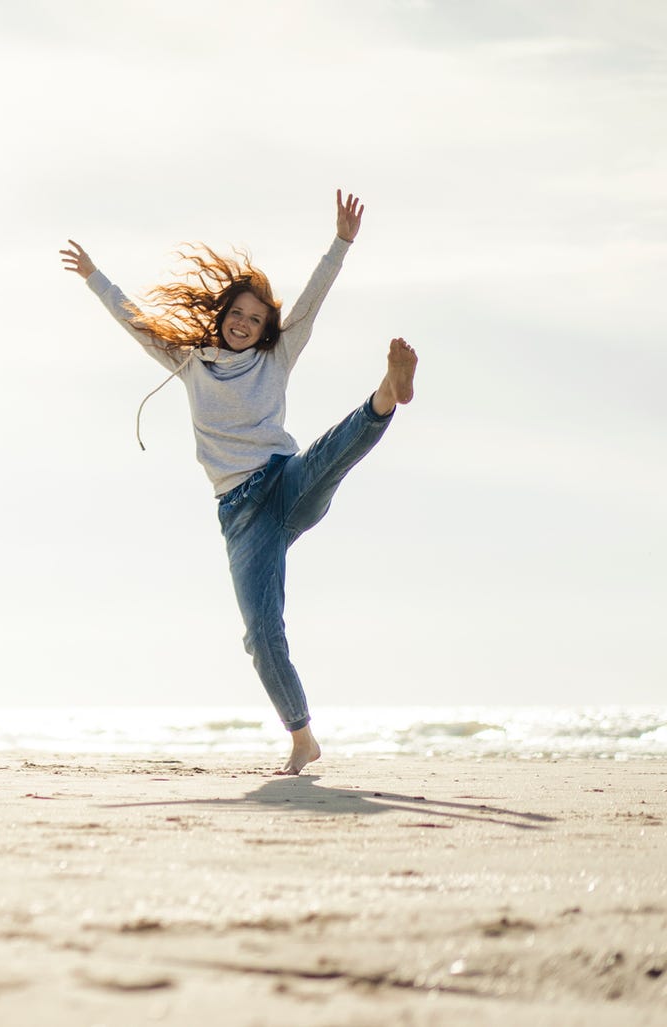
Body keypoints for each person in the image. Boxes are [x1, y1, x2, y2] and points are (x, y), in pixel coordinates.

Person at [58, 191, 416, 774]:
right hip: (241, 516)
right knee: (259, 634)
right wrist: (96, 276)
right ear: (222, 316)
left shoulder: (277, 358)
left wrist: (342, 243)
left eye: (256, 318)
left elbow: (311, 303)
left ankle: (385, 394)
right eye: (238, 315)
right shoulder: (190, 361)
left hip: (285, 482)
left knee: (332, 453)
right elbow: (135, 320)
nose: (246, 324)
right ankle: (303, 737)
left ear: (266, 326)